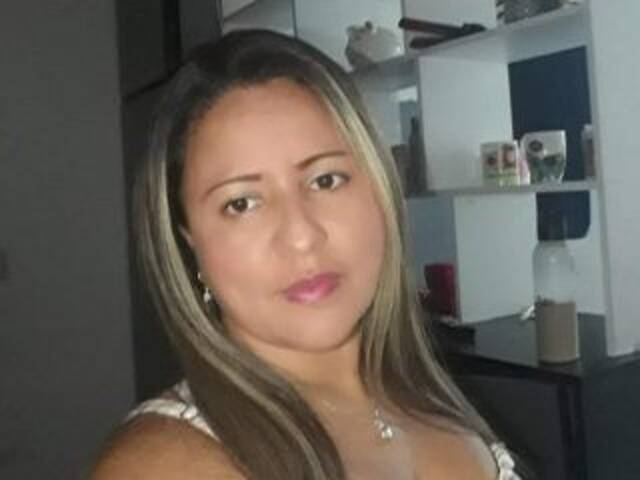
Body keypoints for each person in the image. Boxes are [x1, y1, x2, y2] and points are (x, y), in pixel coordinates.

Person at [91, 30, 521, 479]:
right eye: (242, 203)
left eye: (325, 180)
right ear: (189, 242)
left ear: (379, 187)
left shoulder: (426, 398)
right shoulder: (165, 463)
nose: (301, 236)